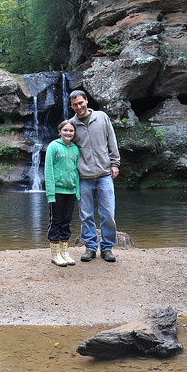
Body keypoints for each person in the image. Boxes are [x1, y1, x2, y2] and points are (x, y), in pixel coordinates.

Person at [69, 90, 120, 263]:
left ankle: (106, 248)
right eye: (75, 104)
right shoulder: (71, 124)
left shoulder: (102, 117)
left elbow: (111, 140)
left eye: (81, 103)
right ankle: (90, 247)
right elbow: (66, 146)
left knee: (108, 214)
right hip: (84, 176)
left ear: (86, 101)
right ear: (72, 106)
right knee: (86, 215)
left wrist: (115, 163)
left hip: (105, 173)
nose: (79, 107)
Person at [44, 120, 81, 267]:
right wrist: (50, 194)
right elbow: (48, 170)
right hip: (57, 192)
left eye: (71, 131)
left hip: (70, 191)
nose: (68, 133)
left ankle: (64, 252)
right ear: (59, 131)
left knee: (66, 222)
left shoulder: (75, 149)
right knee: (56, 221)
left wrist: (77, 193)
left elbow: (77, 172)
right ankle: (55, 254)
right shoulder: (53, 146)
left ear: (74, 133)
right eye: (65, 130)